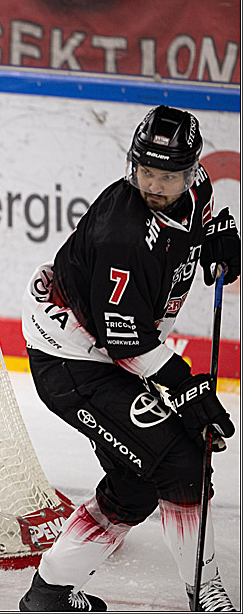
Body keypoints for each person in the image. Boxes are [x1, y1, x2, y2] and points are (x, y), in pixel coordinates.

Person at [19, 106, 240, 611]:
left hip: (114, 350)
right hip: (75, 362)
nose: (155, 185)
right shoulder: (123, 236)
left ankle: (47, 598)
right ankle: (204, 590)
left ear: (189, 171)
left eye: (168, 175)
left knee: (134, 485)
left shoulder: (195, 187)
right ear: (132, 164)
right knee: (181, 458)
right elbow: (128, 344)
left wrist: (219, 238)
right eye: (146, 172)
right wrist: (185, 388)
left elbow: (205, 212)